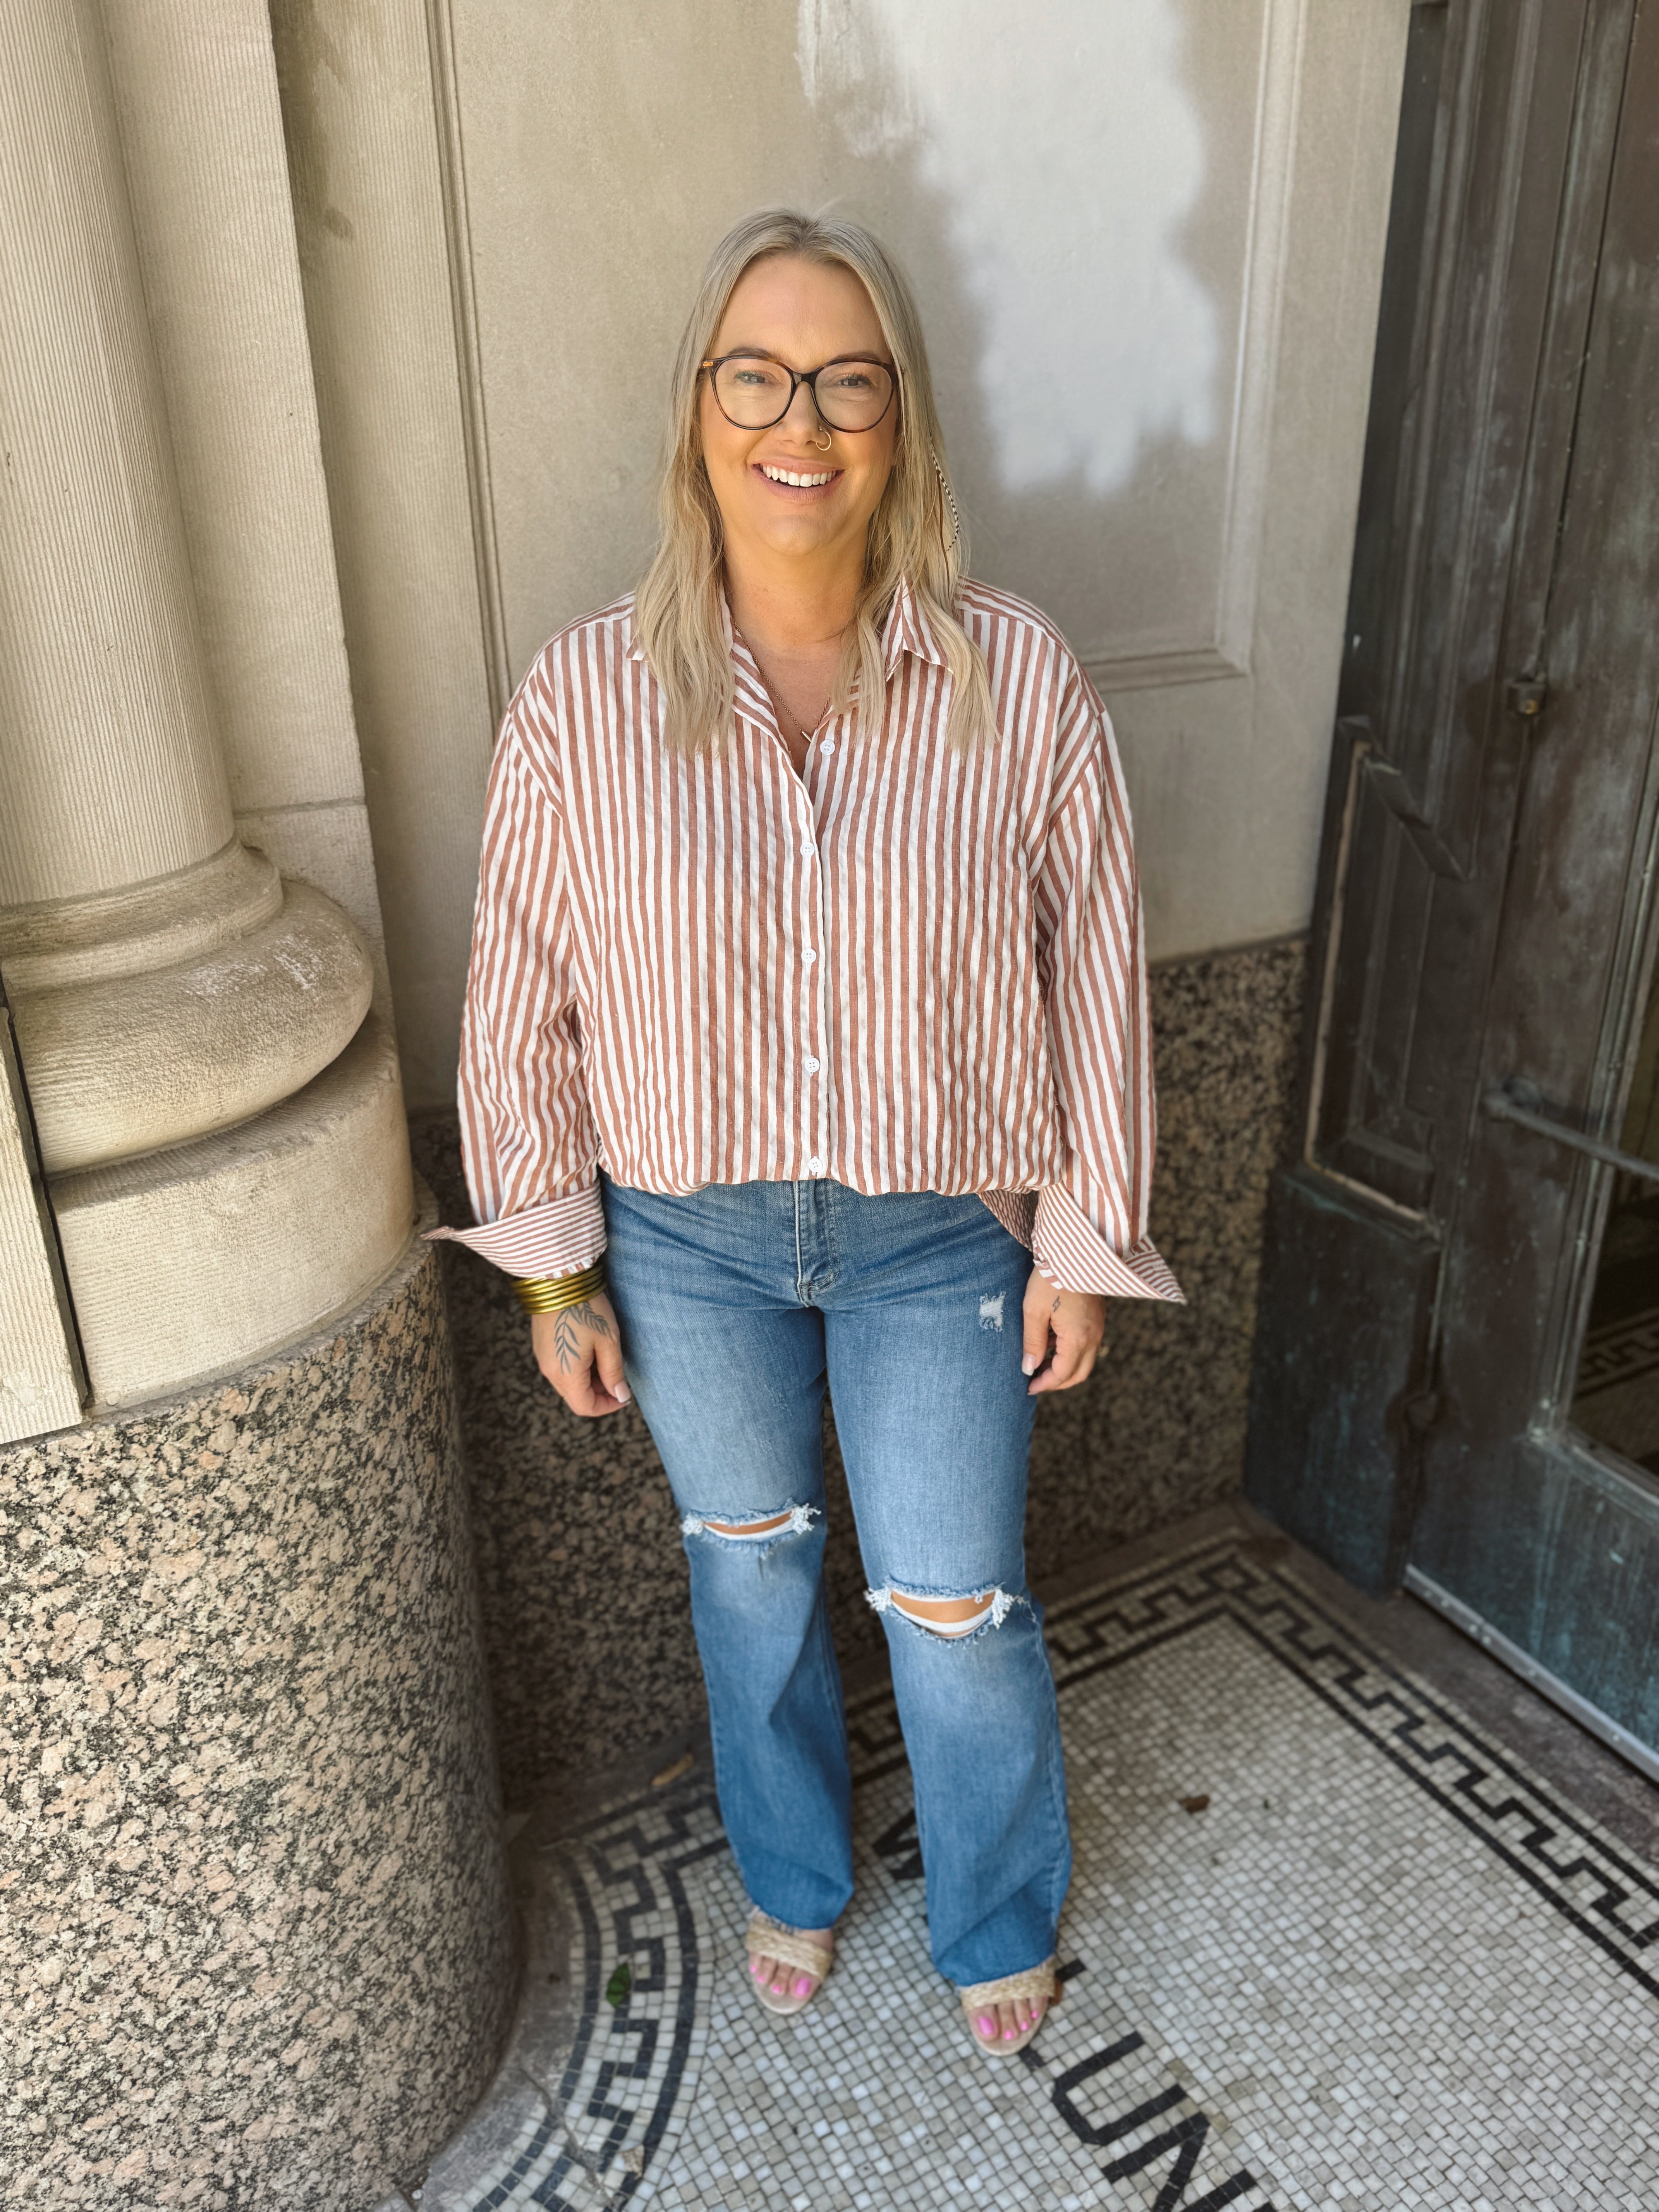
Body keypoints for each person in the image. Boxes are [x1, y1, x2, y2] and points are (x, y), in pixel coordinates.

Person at [434, 208, 1180, 2058]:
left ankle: (999, 1906)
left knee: (954, 1600)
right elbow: (518, 988)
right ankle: (792, 1872)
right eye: (757, 375)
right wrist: (551, 1277)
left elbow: (1096, 964)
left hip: (943, 1235)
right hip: (685, 1239)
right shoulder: (586, 697)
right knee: (747, 1564)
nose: (803, 418)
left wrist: (1086, 1236)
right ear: (700, 412)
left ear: (901, 422)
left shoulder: (1014, 679)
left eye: (850, 380)